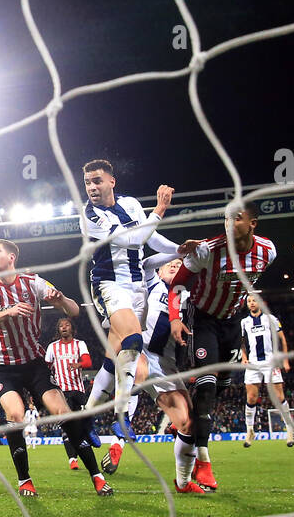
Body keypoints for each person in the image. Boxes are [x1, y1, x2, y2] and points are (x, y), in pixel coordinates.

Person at [0, 238, 110, 496]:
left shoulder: (33, 282)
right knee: (15, 415)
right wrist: (8, 312)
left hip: (35, 364)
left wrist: (60, 300)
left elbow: (73, 310)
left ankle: (97, 476)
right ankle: (25, 480)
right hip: (3, 366)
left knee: (62, 412)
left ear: (12, 257)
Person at [170, 202, 278, 491]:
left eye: (237, 218)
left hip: (232, 323)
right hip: (202, 319)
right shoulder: (208, 250)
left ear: (252, 223)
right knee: (207, 386)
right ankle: (203, 462)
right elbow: (177, 284)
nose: (229, 223)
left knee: (220, 387)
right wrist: (175, 318)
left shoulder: (268, 252)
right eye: (226, 218)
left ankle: (184, 409)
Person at [78, 159, 175, 415]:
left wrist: (179, 251)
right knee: (133, 339)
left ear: (112, 181)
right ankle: (121, 415)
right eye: (87, 182)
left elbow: (150, 237)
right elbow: (133, 239)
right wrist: (160, 210)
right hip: (108, 284)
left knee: (114, 359)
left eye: (96, 181)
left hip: (137, 286)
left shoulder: (130, 204)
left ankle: (86, 417)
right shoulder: (89, 216)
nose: (91, 187)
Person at [136, 259, 207, 494]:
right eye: (170, 264)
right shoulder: (151, 283)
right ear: (159, 270)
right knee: (185, 421)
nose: (175, 265)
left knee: (191, 422)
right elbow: (145, 263)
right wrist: (175, 251)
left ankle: (184, 481)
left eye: (179, 264)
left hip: (168, 363)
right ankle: (184, 482)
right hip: (146, 356)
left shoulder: (184, 297)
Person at [239, 294, 294, 448]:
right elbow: (242, 342)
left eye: (254, 300)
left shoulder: (271, 318)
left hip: (270, 361)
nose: (251, 303)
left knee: (278, 396)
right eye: (248, 301)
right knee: (251, 398)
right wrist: (244, 357)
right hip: (253, 363)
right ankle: (250, 430)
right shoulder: (244, 322)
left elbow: (282, 339)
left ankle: (290, 428)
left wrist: (285, 360)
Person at [45, 317, 92, 470]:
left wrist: (78, 364)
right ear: (58, 330)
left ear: (72, 328)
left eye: (67, 325)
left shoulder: (80, 344)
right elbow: (47, 366)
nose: (64, 327)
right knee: (66, 425)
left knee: (78, 424)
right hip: (62, 391)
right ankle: (72, 459)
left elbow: (88, 362)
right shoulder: (53, 347)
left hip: (78, 390)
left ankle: (84, 440)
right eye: (61, 326)